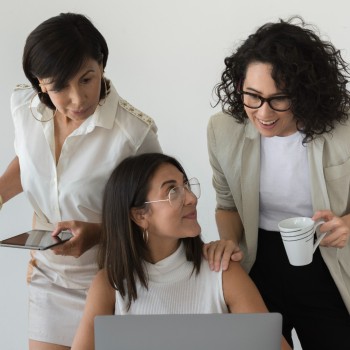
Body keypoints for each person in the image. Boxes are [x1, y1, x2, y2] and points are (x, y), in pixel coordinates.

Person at [0, 13, 162, 350]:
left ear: (101, 64)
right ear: (39, 83)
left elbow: (159, 216)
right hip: (48, 276)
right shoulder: (25, 108)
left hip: (113, 278)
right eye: (59, 87)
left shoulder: (134, 134)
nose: (77, 98)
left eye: (86, 79)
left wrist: (99, 233)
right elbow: (33, 158)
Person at [206, 16, 350, 350]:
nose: (264, 113)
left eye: (279, 99)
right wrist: (229, 243)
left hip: (328, 257)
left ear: (305, 92)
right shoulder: (222, 130)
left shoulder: (343, 129)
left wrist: (347, 225)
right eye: (252, 96)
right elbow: (226, 205)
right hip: (259, 257)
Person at [71, 153, 291, 350]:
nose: (191, 198)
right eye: (172, 191)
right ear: (140, 216)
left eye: (185, 186)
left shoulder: (222, 271)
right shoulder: (110, 285)